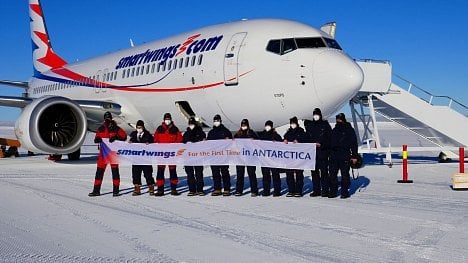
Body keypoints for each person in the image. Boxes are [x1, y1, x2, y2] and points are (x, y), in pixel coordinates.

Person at [89, 111, 127, 197]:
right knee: (99, 173)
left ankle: (116, 191)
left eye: (109, 118)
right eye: (106, 118)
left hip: (113, 154)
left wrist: (116, 137)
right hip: (103, 154)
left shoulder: (116, 128)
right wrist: (98, 139)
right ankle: (96, 191)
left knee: (115, 173)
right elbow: (96, 139)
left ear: (111, 118)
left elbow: (124, 137)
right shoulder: (101, 128)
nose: (107, 119)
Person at [329, 113, 358, 199]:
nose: (338, 121)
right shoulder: (334, 130)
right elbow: (330, 142)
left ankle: (344, 192)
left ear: (344, 119)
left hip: (345, 154)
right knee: (332, 174)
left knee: (345, 174)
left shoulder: (349, 130)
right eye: (337, 119)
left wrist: (354, 156)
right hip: (334, 155)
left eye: (340, 119)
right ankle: (333, 191)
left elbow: (354, 144)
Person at [304, 108, 332, 197]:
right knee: (314, 173)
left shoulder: (325, 125)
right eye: (314, 115)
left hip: (323, 152)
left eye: (317, 115)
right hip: (313, 153)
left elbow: (330, 139)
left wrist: (322, 145)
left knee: (324, 172)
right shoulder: (310, 126)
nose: (315, 116)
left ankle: (325, 190)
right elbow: (306, 138)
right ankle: (316, 190)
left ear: (320, 115)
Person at [153, 113, 183, 196]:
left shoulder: (175, 129)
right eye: (166, 119)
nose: (167, 120)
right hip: (161, 154)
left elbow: (180, 139)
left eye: (168, 119)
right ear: (164, 120)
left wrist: (173, 146)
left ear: (171, 119)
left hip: (171, 154)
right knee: (160, 172)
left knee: (173, 171)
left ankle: (173, 189)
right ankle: (160, 190)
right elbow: (155, 139)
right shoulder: (159, 129)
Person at [207, 114, 233, 196]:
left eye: (217, 121)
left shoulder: (226, 131)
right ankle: (217, 189)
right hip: (214, 156)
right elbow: (208, 144)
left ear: (220, 121)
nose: (216, 122)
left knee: (224, 172)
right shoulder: (211, 132)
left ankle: (227, 189)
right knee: (215, 173)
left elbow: (231, 142)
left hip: (223, 156)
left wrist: (228, 140)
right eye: (215, 121)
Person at [129, 120, 155, 196]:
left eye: (140, 127)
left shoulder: (148, 135)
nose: (139, 128)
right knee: (136, 173)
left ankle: (151, 186)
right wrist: (130, 142)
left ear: (143, 127)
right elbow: (130, 142)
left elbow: (153, 142)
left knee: (148, 173)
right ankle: (137, 188)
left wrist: (149, 143)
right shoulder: (133, 134)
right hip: (136, 158)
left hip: (145, 158)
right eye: (137, 127)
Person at [234, 119, 259, 197]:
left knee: (251, 174)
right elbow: (232, 143)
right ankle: (239, 190)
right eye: (242, 125)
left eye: (245, 125)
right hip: (240, 157)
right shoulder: (237, 134)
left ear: (247, 125)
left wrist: (254, 140)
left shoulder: (252, 133)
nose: (243, 126)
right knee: (240, 174)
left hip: (250, 157)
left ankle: (254, 190)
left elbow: (259, 142)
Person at [258, 120, 283, 197]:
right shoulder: (262, 134)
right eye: (266, 125)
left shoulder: (275, 135)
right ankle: (266, 191)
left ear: (271, 127)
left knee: (275, 176)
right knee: (265, 176)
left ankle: (277, 191)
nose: (267, 127)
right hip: (264, 159)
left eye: (269, 126)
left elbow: (281, 143)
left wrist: (276, 142)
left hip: (273, 159)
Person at [183, 117, 207, 196]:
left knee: (199, 173)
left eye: (192, 124)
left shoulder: (200, 132)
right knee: (190, 174)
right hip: (188, 157)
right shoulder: (186, 133)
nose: (191, 125)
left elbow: (204, 140)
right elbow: (182, 143)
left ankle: (200, 189)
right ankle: (192, 190)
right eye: (190, 124)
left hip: (198, 156)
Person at [283, 116, 306, 197]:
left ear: (296, 123)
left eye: (293, 123)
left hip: (299, 157)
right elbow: (285, 137)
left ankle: (298, 191)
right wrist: (285, 140)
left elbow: (305, 140)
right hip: (290, 157)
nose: (292, 124)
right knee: (289, 174)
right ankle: (291, 190)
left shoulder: (301, 131)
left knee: (299, 174)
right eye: (291, 123)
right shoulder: (288, 132)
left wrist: (299, 141)